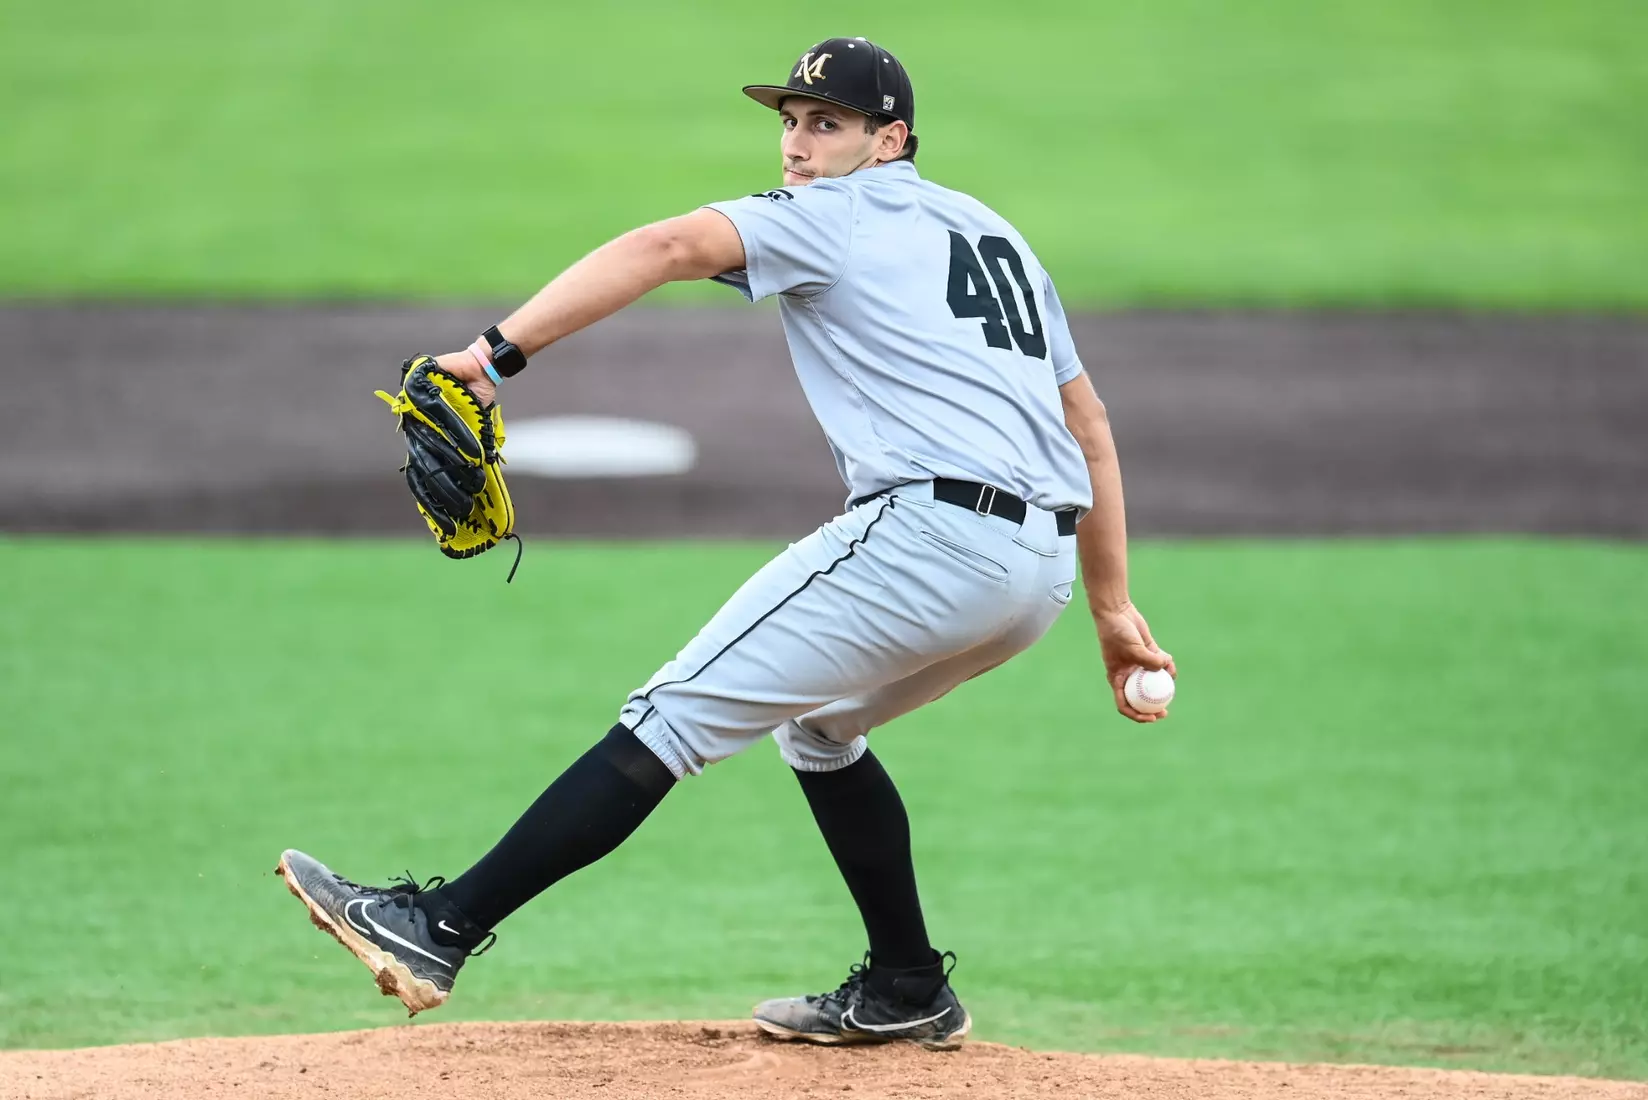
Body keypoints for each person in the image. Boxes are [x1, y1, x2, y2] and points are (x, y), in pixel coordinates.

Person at [278, 36, 1174, 1052]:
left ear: (890, 141)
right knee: (821, 729)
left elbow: (666, 247)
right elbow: (1087, 423)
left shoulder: (832, 214)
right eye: (789, 121)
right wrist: (1111, 607)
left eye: (826, 123)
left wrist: (490, 357)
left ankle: (437, 927)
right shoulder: (993, 233)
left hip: (932, 542)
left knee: (669, 716)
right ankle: (907, 982)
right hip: (1037, 576)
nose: (796, 143)